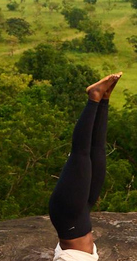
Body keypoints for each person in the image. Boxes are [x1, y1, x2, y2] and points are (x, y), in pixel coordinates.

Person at [49, 72, 122, 261]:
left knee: (80, 154)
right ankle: (104, 99)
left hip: (67, 214)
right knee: (97, 152)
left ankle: (94, 98)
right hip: (81, 215)